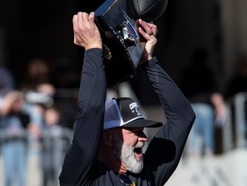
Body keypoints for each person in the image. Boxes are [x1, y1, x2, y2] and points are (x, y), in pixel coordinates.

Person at [59, 12, 195, 186]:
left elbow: (183, 117)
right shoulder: (82, 179)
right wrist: (93, 48)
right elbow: (91, 114)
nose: (144, 138)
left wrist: (148, 62)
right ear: (107, 137)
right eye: (135, 131)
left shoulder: (147, 175)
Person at [180, 48, 226, 157]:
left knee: (193, 135)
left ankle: (194, 155)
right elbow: (214, 90)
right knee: (208, 133)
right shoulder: (208, 72)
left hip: (191, 106)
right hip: (206, 106)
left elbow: (181, 91)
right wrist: (219, 105)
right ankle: (209, 154)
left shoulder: (187, 73)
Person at [0, 90, 38, 186]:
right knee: (8, 173)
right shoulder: (6, 114)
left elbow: (34, 128)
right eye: (15, 102)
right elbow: (3, 109)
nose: (17, 104)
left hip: (21, 146)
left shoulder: (24, 115)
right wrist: (12, 96)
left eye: (19, 102)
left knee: (21, 174)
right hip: (8, 146)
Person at [225, 53, 247, 147]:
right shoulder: (234, 81)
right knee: (242, 131)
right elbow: (228, 97)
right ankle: (245, 148)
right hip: (239, 112)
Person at [40, 105, 65, 186]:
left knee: (56, 180)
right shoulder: (42, 129)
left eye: (53, 115)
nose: (50, 118)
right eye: (48, 115)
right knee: (45, 180)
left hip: (58, 161)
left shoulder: (61, 128)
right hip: (46, 161)